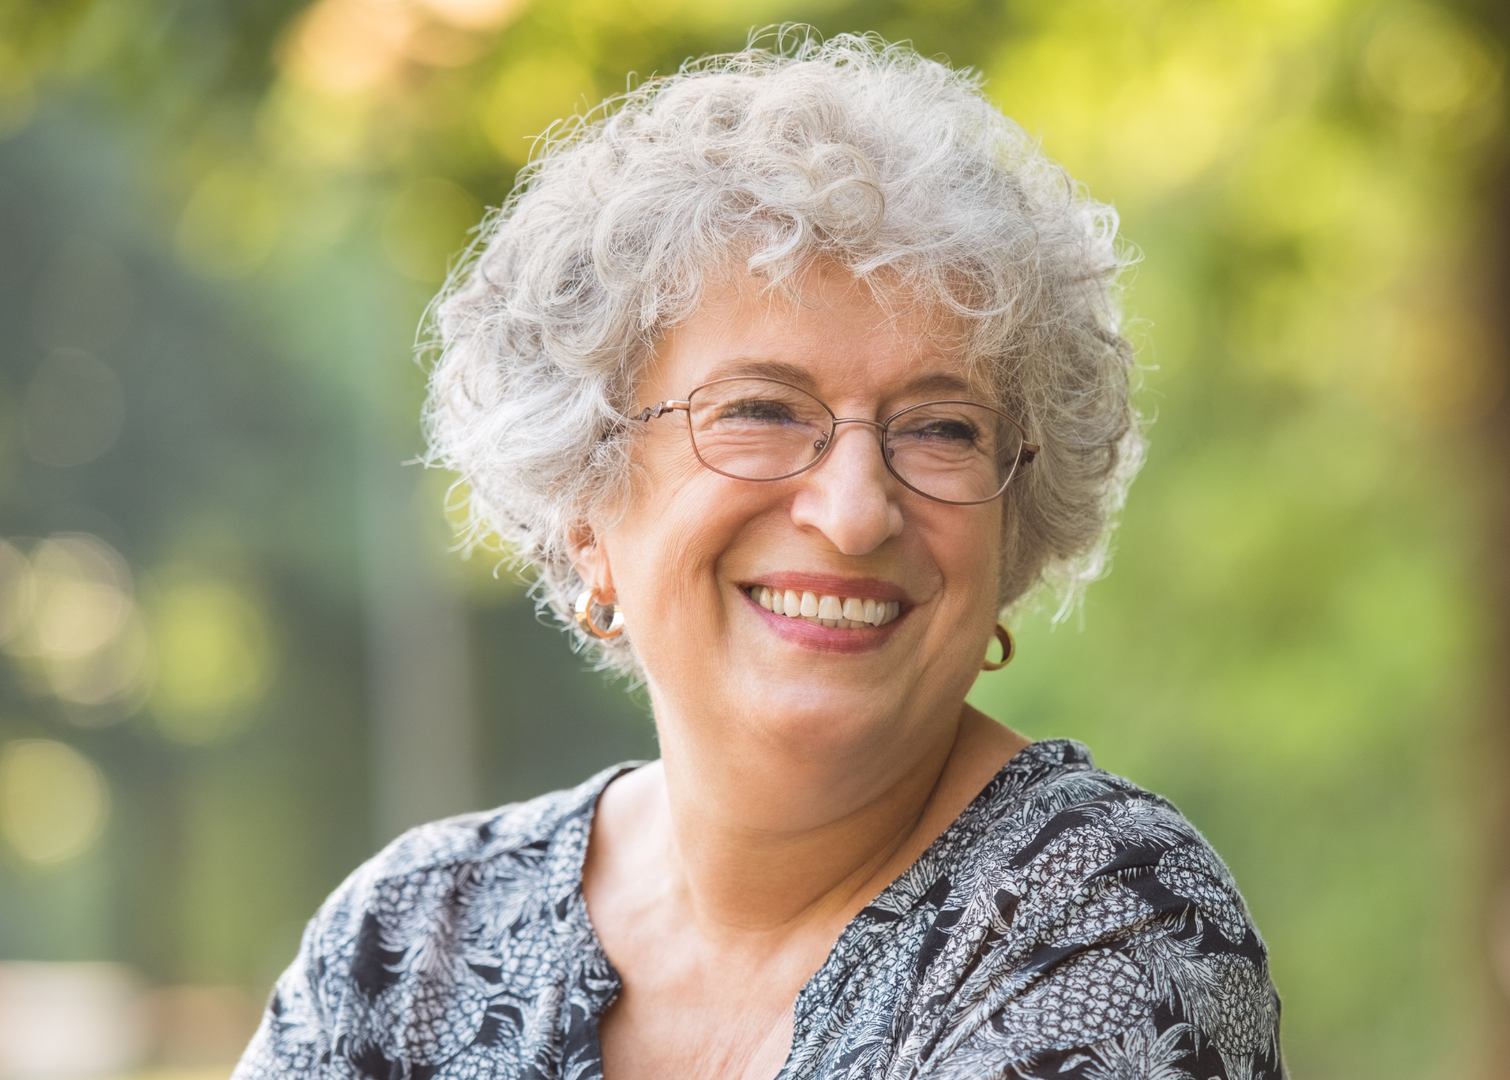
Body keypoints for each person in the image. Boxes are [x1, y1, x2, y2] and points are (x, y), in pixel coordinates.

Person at [236, 33, 1285, 1080]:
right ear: (587, 507)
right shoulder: (407, 946)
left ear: (1014, 532)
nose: (856, 509)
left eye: (941, 428)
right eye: (761, 411)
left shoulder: (1106, 916)